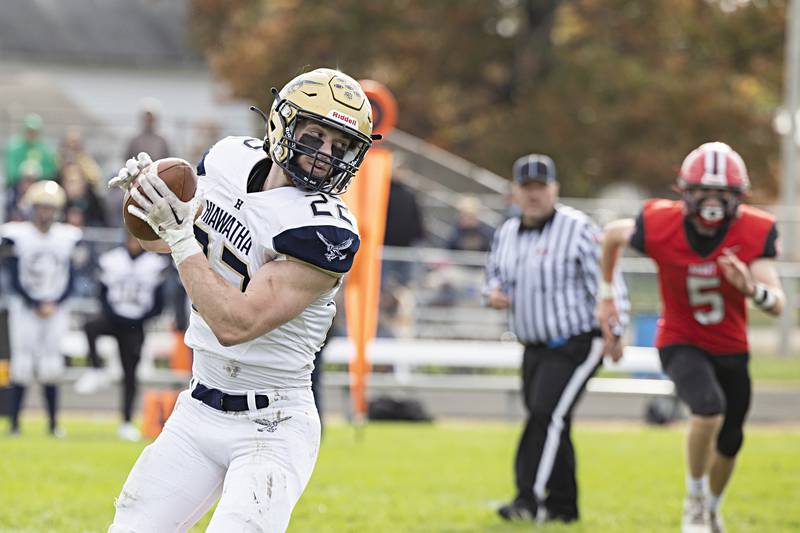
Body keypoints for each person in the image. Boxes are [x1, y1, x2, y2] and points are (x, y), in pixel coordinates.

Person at [106, 67, 378, 532]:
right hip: (198, 404)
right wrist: (151, 204)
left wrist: (177, 236)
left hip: (271, 424)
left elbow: (236, 324)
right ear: (282, 125)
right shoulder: (228, 158)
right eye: (316, 137)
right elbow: (171, 244)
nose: (325, 156)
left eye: (341, 147)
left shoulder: (326, 230)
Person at [596, 142, 784, 533]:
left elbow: (777, 303)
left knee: (731, 440)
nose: (712, 203)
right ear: (685, 193)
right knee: (708, 408)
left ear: (737, 198)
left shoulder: (755, 229)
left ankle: (712, 509)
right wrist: (607, 297)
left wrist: (751, 290)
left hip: (731, 346)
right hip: (680, 338)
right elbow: (611, 236)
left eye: (723, 194)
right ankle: (695, 500)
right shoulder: (660, 224)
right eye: (704, 192)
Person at [485, 153, 629, 524]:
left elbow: (609, 279)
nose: (534, 195)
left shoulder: (577, 227)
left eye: (540, 187)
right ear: (515, 192)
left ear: (555, 189)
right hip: (533, 345)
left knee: (544, 416)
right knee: (554, 420)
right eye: (526, 188)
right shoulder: (507, 232)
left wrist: (616, 328)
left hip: (577, 340)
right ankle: (564, 507)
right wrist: (494, 293)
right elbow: (494, 276)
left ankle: (527, 500)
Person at [1, 181, 81, 436]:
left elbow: (72, 275)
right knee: (22, 364)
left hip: (55, 306)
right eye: (41, 208)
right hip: (26, 307)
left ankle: (53, 424)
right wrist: (35, 302)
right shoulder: (18, 234)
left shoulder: (66, 236)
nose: (45, 213)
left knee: (51, 365)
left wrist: (54, 302)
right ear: (32, 209)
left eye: (50, 208)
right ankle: (14, 424)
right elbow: (12, 275)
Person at [74, 234, 170, 441]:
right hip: (115, 318)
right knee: (90, 327)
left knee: (130, 375)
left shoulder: (154, 263)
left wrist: (142, 318)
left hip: (136, 325)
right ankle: (96, 368)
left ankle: (126, 421)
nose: (134, 243)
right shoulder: (113, 260)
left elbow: (160, 302)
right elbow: (102, 294)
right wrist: (114, 314)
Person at [3, 113, 57, 189]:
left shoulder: (45, 150)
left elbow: (50, 171)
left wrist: (38, 173)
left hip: (39, 187)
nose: (31, 134)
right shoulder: (14, 148)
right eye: (29, 131)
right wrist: (23, 173)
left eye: (34, 132)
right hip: (16, 187)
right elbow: (11, 171)